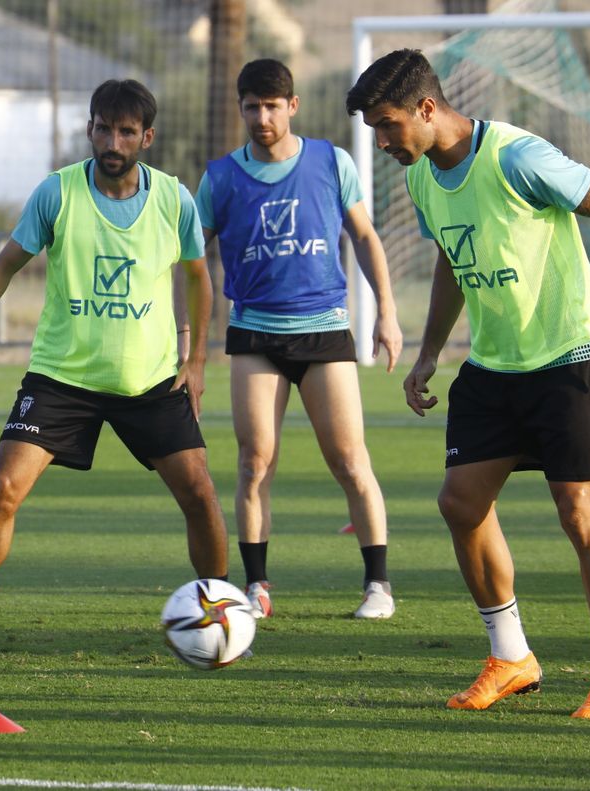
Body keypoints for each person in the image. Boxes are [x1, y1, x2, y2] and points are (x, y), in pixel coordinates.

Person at [349, 49, 590, 719]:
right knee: (461, 503)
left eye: (389, 124)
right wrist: (429, 352)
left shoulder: (518, 157)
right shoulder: (422, 178)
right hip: (492, 367)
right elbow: (452, 259)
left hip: (569, 357)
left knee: (580, 515)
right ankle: (511, 656)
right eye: (375, 129)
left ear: (427, 108)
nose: (383, 141)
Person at [0, 79, 231, 660]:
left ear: (147, 138)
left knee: (201, 494)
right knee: (3, 489)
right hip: (61, 378)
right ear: (89, 129)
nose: (113, 141)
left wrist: (197, 357)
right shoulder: (57, 193)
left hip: (150, 381)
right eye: (103, 128)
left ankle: (220, 620)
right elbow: (6, 264)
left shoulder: (174, 199)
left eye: (126, 132)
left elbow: (197, 276)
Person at [198, 59, 403, 621]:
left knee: (350, 461)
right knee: (253, 463)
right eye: (252, 107)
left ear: (292, 106)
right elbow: (189, 259)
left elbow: (365, 236)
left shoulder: (331, 162)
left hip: (323, 330)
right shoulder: (219, 178)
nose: (262, 118)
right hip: (254, 334)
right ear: (240, 109)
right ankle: (257, 587)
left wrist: (386, 312)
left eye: (272, 106)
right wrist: (186, 336)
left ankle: (378, 585)